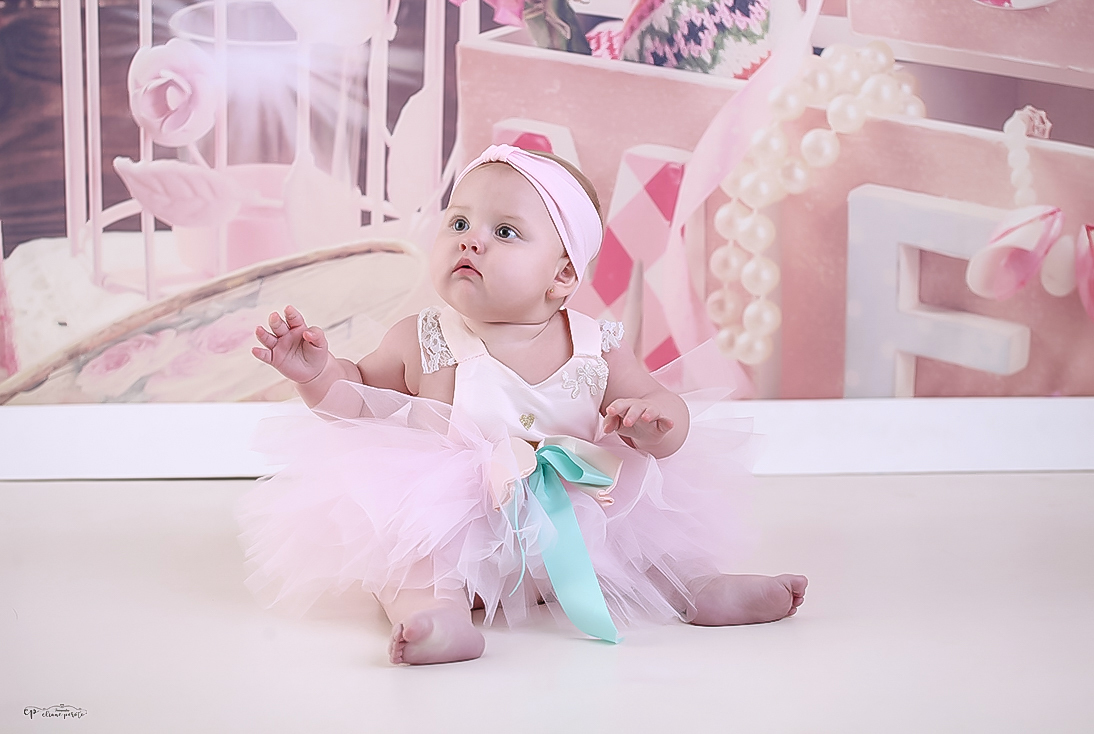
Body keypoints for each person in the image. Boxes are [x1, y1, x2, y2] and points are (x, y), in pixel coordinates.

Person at [243, 144, 806, 666]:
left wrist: (655, 423)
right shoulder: (423, 337)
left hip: (584, 522)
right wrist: (319, 375)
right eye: (458, 223)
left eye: (505, 231)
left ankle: (702, 590)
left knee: (654, 547)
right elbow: (358, 402)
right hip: (461, 532)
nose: (470, 242)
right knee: (408, 562)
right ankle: (440, 618)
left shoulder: (596, 345)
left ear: (562, 275)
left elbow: (663, 406)